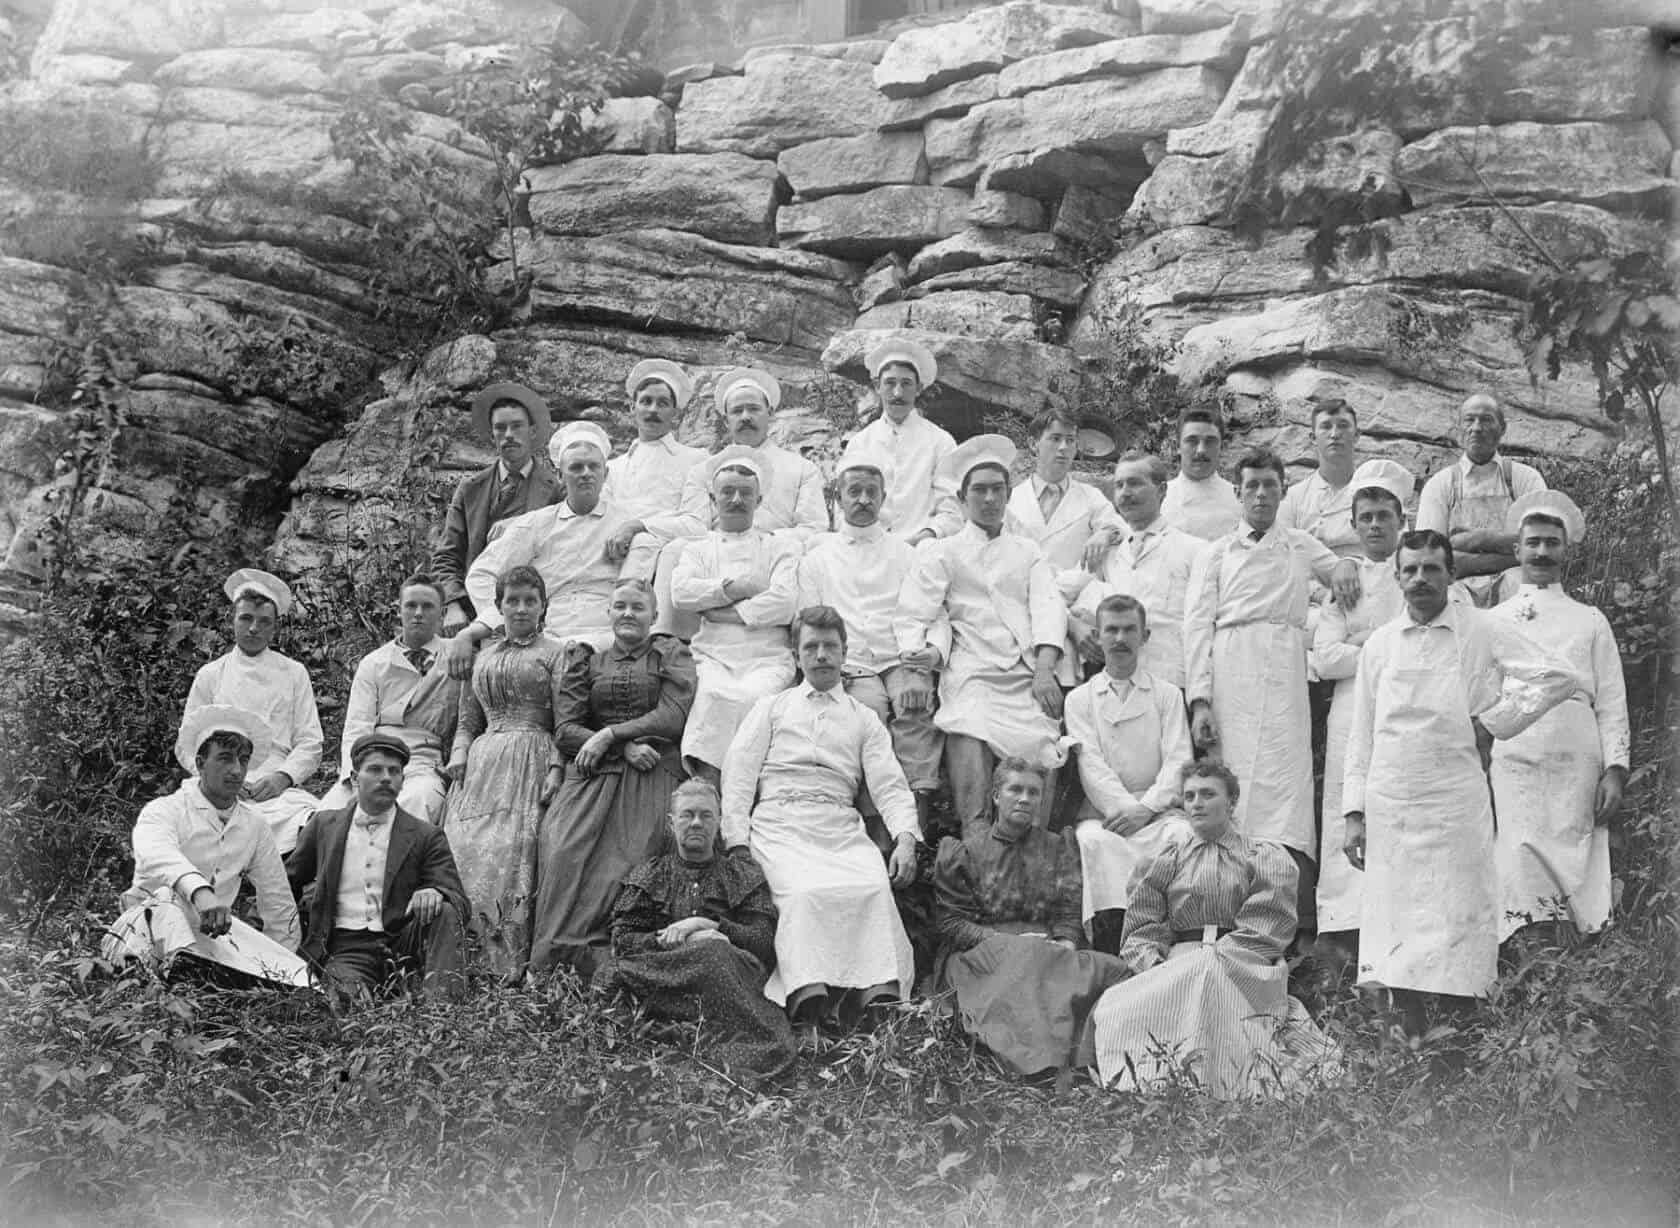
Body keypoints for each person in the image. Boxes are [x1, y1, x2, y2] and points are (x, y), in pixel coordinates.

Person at [1342, 531, 1578, 1037]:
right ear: (1397, 575)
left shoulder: (1483, 629)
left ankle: (1461, 1041)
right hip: (1391, 804)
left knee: (1457, 918)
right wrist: (1353, 815)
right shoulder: (1380, 644)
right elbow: (1359, 735)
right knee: (1397, 926)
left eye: (1432, 568)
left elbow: (1558, 676)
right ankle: (1404, 1044)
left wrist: (1494, 721)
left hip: (1455, 802)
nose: (1421, 579)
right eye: (1411, 570)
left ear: (1450, 575)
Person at [721, 606, 921, 1040]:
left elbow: (889, 783)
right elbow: (738, 776)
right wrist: (736, 843)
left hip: (838, 826)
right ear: (796, 655)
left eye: (831, 646)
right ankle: (806, 998)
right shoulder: (772, 708)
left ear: (845, 653)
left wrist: (906, 838)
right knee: (803, 894)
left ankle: (874, 998)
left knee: (870, 887)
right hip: (779, 825)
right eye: (811, 646)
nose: (822, 655)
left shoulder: (862, 717)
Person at [1089, 761, 1340, 1099]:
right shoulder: (1167, 859)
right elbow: (1144, 923)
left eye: (1208, 794)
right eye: (1189, 796)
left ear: (1232, 802)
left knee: (1208, 973)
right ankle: (1163, 1086)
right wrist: (1155, 964)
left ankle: (1227, 1084)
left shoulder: (1261, 856)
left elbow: (1267, 923)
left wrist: (1215, 958)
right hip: (1177, 961)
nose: (1197, 803)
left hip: (1243, 964)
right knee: (1116, 1005)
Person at [1184, 447, 1359, 929]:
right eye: (1253, 486)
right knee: (1231, 785)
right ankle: (1219, 915)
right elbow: (1196, 627)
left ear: (1284, 492)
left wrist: (1344, 567)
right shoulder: (1215, 553)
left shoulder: (1301, 544)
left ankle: (1283, 922)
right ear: (1238, 493)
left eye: (1271, 485)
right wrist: (1199, 701)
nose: (1262, 494)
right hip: (1231, 671)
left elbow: (1343, 571)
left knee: (1286, 791)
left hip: (1284, 675)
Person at [896, 435, 1068, 841]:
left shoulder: (1027, 551)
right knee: (968, 725)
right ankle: (976, 839)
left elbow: (1048, 606)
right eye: (980, 490)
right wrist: (916, 664)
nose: (989, 499)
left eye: (998, 490)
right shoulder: (944, 551)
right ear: (961, 497)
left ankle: (1033, 848)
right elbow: (913, 612)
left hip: (1023, 669)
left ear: (1008, 495)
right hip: (971, 668)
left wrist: (1044, 670)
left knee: (1043, 738)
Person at [528, 578, 696, 976]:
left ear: (654, 616)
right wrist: (620, 748)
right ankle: (554, 967)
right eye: (619, 606)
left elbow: (673, 716)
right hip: (593, 772)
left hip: (652, 771)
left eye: (638, 607)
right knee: (563, 849)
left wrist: (611, 733)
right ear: (608, 613)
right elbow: (567, 728)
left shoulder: (669, 653)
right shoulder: (589, 659)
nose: (627, 614)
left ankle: (615, 968)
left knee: (633, 859)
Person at [1489, 492, 1629, 947]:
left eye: (1552, 542)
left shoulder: (1590, 619)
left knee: (1574, 845)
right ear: (1517, 550)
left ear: (1566, 550)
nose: (1543, 552)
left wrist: (1616, 771)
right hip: (1516, 750)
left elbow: (1610, 700)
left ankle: (1577, 943)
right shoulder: (1493, 620)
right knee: (1518, 845)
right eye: (1534, 543)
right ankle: (1528, 948)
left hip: (1575, 752)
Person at [933, 758, 1128, 1076]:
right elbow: (952, 923)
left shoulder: (1057, 847)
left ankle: (1095, 1056)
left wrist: (1064, 943)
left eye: (1033, 792)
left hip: (1048, 948)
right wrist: (1004, 941)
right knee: (1025, 964)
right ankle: (1040, 1063)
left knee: (1116, 973)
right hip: (984, 955)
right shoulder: (965, 852)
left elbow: (1068, 908)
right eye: (1015, 789)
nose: (1025, 798)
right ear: (996, 796)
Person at [595, 779, 796, 1080]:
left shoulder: (740, 873)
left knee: (713, 953)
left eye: (706, 815)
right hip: (667, 976)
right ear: (671, 823)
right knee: (610, 977)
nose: (697, 823)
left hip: (729, 979)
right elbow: (624, 940)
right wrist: (678, 940)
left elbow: (763, 942)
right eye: (688, 815)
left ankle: (698, 1045)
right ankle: (679, 1037)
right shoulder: (652, 873)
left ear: (719, 822)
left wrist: (712, 927)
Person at [1310, 461, 1426, 960]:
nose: (1375, 525)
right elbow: (1325, 657)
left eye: (1384, 515)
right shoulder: (1347, 582)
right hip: (1352, 708)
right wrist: (1379, 649)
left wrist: (1364, 643)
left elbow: (1422, 647)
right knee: (1345, 803)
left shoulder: (1416, 578)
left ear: (1402, 521)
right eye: (1366, 517)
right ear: (1354, 525)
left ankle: (1397, 930)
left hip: (1404, 708)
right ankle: (1340, 930)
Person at [102, 705, 307, 987]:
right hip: (144, 932)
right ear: (200, 763)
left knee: (302, 979)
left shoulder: (254, 825)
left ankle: (212, 982)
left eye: (243, 760)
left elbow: (277, 899)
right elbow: (158, 854)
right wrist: (201, 892)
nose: (236, 770)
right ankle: (187, 983)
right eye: (224, 759)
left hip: (211, 940)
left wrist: (281, 961)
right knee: (166, 903)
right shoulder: (164, 810)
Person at [797, 445, 946, 830]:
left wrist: (926, 659)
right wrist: (831, 665)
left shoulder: (905, 553)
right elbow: (809, 621)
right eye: (854, 491)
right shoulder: (818, 557)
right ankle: (873, 831)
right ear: (838, 497)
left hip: (900, 658)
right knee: (867, 715)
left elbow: (933, 612)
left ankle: (914, 832)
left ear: (883, 498)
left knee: (914, 708)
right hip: (851, 664)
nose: (863, 500)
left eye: (871, 492)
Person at [443, 564, 570, 981]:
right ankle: (461, 956)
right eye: (511, 600)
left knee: (514, 852)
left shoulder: (556, 653)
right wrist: (459, 754)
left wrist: (555, 766)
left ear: (543, 606)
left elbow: (565, 722)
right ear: (498, 606)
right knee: (463, 846)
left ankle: (506, 962)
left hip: (531, 756)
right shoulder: (483, 656)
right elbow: (466, 721)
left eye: (529, 600)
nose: (520, 608)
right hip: (482, 763)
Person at [286, 732, 470, 1002]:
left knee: (444, 911)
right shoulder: (324, 826)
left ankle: (443, 1014)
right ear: (354, 778)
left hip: (402, 940)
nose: (386, 777)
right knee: (347, 1002)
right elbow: (286, 883)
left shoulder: (425, 835)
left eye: (394, 771)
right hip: (346, 948)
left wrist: (435, 890)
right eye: (374, 769)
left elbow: (460, 902)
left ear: (402, 781)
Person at [447, 421, 636, 678]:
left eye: (594, 466)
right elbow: (482, 575)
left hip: (606, 632)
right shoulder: (536, 524)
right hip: (547, 634)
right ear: (560, 476)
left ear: (606, 473)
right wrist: (507, 619)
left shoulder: (627, 522)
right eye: (576, 467)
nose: (586, 473)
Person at [651, 367, 830, 637]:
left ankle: (807, 638)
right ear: (725, 420)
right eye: (737, 411)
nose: (745, 417)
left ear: (770, 413)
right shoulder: (705, 469)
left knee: (817, 548)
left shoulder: (802, 468)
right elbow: (695, 524)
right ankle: (664, 639)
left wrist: (769, 539)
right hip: (719, 553)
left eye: (753, 409)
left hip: (775, 553)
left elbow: (814, 527)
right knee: (676, 548)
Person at [1062, 595, 1193, 948]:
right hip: (1110, 816)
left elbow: (1179, 758)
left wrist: (1147, 809)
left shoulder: (1167, 695)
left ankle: (1173, 935)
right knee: (1091, 841)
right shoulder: (1080, 699)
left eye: (1129, 630)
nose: (1120, 639)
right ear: (1098, 636)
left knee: (1181, 836)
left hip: (1158, 812)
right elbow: (1090, 765)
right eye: (1112, 630)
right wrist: (1125, 811)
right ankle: (1111, 941)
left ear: (1145, 635)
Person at [671, 448, 800, 780]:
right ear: (714, 499)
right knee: (712, 695)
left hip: (767, 657)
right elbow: (682, 592)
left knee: (755, 701)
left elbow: (784, 603)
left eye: (746, 493)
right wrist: (735, 587)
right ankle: (707, 792)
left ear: (759, 501)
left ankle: (743, 799)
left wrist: (726, 613)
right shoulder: (697, 549)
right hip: (713, 655)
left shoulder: (779, 547)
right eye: (727, 492)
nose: (736, 499)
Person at [182, 568, 323, 853]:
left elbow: (310, 742)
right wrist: (221, 778)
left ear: (274, 628)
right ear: (231, 621)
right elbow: (188, 743)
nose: (254, 629)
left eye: (264, 622)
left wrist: (283, 777)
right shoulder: (211, 675)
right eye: (246, 618)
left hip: (275, 786)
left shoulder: (294, 673)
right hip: (218, 782)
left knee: (315, 823)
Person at [318, 574, 460, 824]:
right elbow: (357, 726)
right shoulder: (374, 663)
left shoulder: (456, 656)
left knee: (415, 806)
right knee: (329, 816)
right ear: (399, 610)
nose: (418, 613)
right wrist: (354, 778)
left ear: (443, 613)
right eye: (411, 605)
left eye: (427, 606)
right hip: (375, 757)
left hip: (423, 762)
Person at [1062, 451, 1204, 689]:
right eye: (1119, 485)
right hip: (1113, 684)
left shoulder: (1195, 550)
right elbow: (1052, 594)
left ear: (1161, 491)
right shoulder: (1106, 551)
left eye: (1135, 483)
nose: (1125, 493)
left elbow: (1203, 627)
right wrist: (1074, 627)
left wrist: (1200, 696)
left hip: (1170, 682)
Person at [432, 381, 562, 635]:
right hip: (473, 608)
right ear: (492, 435)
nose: (509, 435)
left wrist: (520, 524)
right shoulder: (471, 489)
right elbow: (447, 556)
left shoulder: (555, 489)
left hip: (535, 611)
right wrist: (454, 604)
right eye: (500, 428)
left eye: (517, 426)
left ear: (532, 431)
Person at [1008, 405, 1124, 685]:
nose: (1063, 448)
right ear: (1033, 444)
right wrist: (1068, 623)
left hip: (1079, 605)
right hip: (1028, 611)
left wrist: (1104, 534)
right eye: (1055, 438)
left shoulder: (1090, 496)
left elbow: (1120, 528)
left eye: (1070, 441)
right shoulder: (1011, 501)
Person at [1415, 392, 1547, 607]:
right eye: (1469, 419)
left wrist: (1475, 541)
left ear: (1502, 428)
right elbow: (1430, 555)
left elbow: (1540, 546)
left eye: (1486, 419)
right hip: (1458, 588)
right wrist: (1512, 549)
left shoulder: (1525, 479)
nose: (1476, 427)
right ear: (1459, 428)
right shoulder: (1440, 485)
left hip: (1515, 584)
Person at [843, 339, 961, 542]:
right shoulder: (860, 443)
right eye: (889, 383)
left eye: (906, 384)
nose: (897, 393)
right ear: (877, 386)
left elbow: (952, 512)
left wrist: (923, 538)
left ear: (919, 388)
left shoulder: (941, 443)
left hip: (924, 550)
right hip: (870, 549)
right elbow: (846, 507)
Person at [602, 359, 708, 577]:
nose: (653, 410)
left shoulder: (695, 460)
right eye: (646, 401)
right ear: (632, 407)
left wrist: (638, 526)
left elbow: (697, 525)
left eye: (662, 403)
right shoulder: (613, 468)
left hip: (667, 563)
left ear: (675, 413)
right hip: (611, 560)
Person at [1160, 405, 1241, 542]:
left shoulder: (1238, 501)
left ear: (1222, 446)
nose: (1201, 450)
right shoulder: (1159, 499)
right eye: (1192, 441)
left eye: (1210, 442)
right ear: (1177, 446)